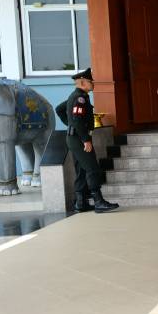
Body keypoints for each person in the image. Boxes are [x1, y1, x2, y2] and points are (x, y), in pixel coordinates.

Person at [60, 68, 119, 213]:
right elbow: (78, 121)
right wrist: (85, 139)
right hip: (79, 139)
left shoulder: (77, 97)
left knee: (82, 169)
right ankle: (99, 202)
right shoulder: (79, 98)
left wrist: (70, 125)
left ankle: (81, 203)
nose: (93, 84)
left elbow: (59, 109)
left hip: (75, 138)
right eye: (90, 81)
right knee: (93, 168)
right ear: (82, 83)